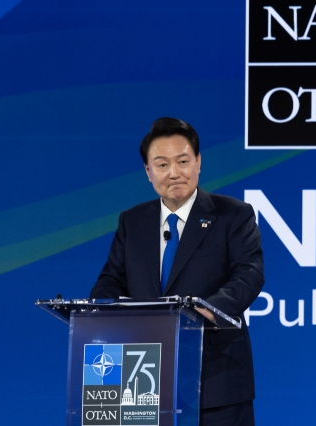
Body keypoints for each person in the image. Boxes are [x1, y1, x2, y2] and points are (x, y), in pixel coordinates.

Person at [90, 117, 264, 426]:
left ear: (198, 162)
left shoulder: (233, 215)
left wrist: (206, 311)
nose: (174, 173)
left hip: (216, 380)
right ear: (148, 172)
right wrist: (98, 316)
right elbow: (111, 280)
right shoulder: (132, 221)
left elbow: (249, 274)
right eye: (161, 165)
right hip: (141, 380)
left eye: (183, 161)